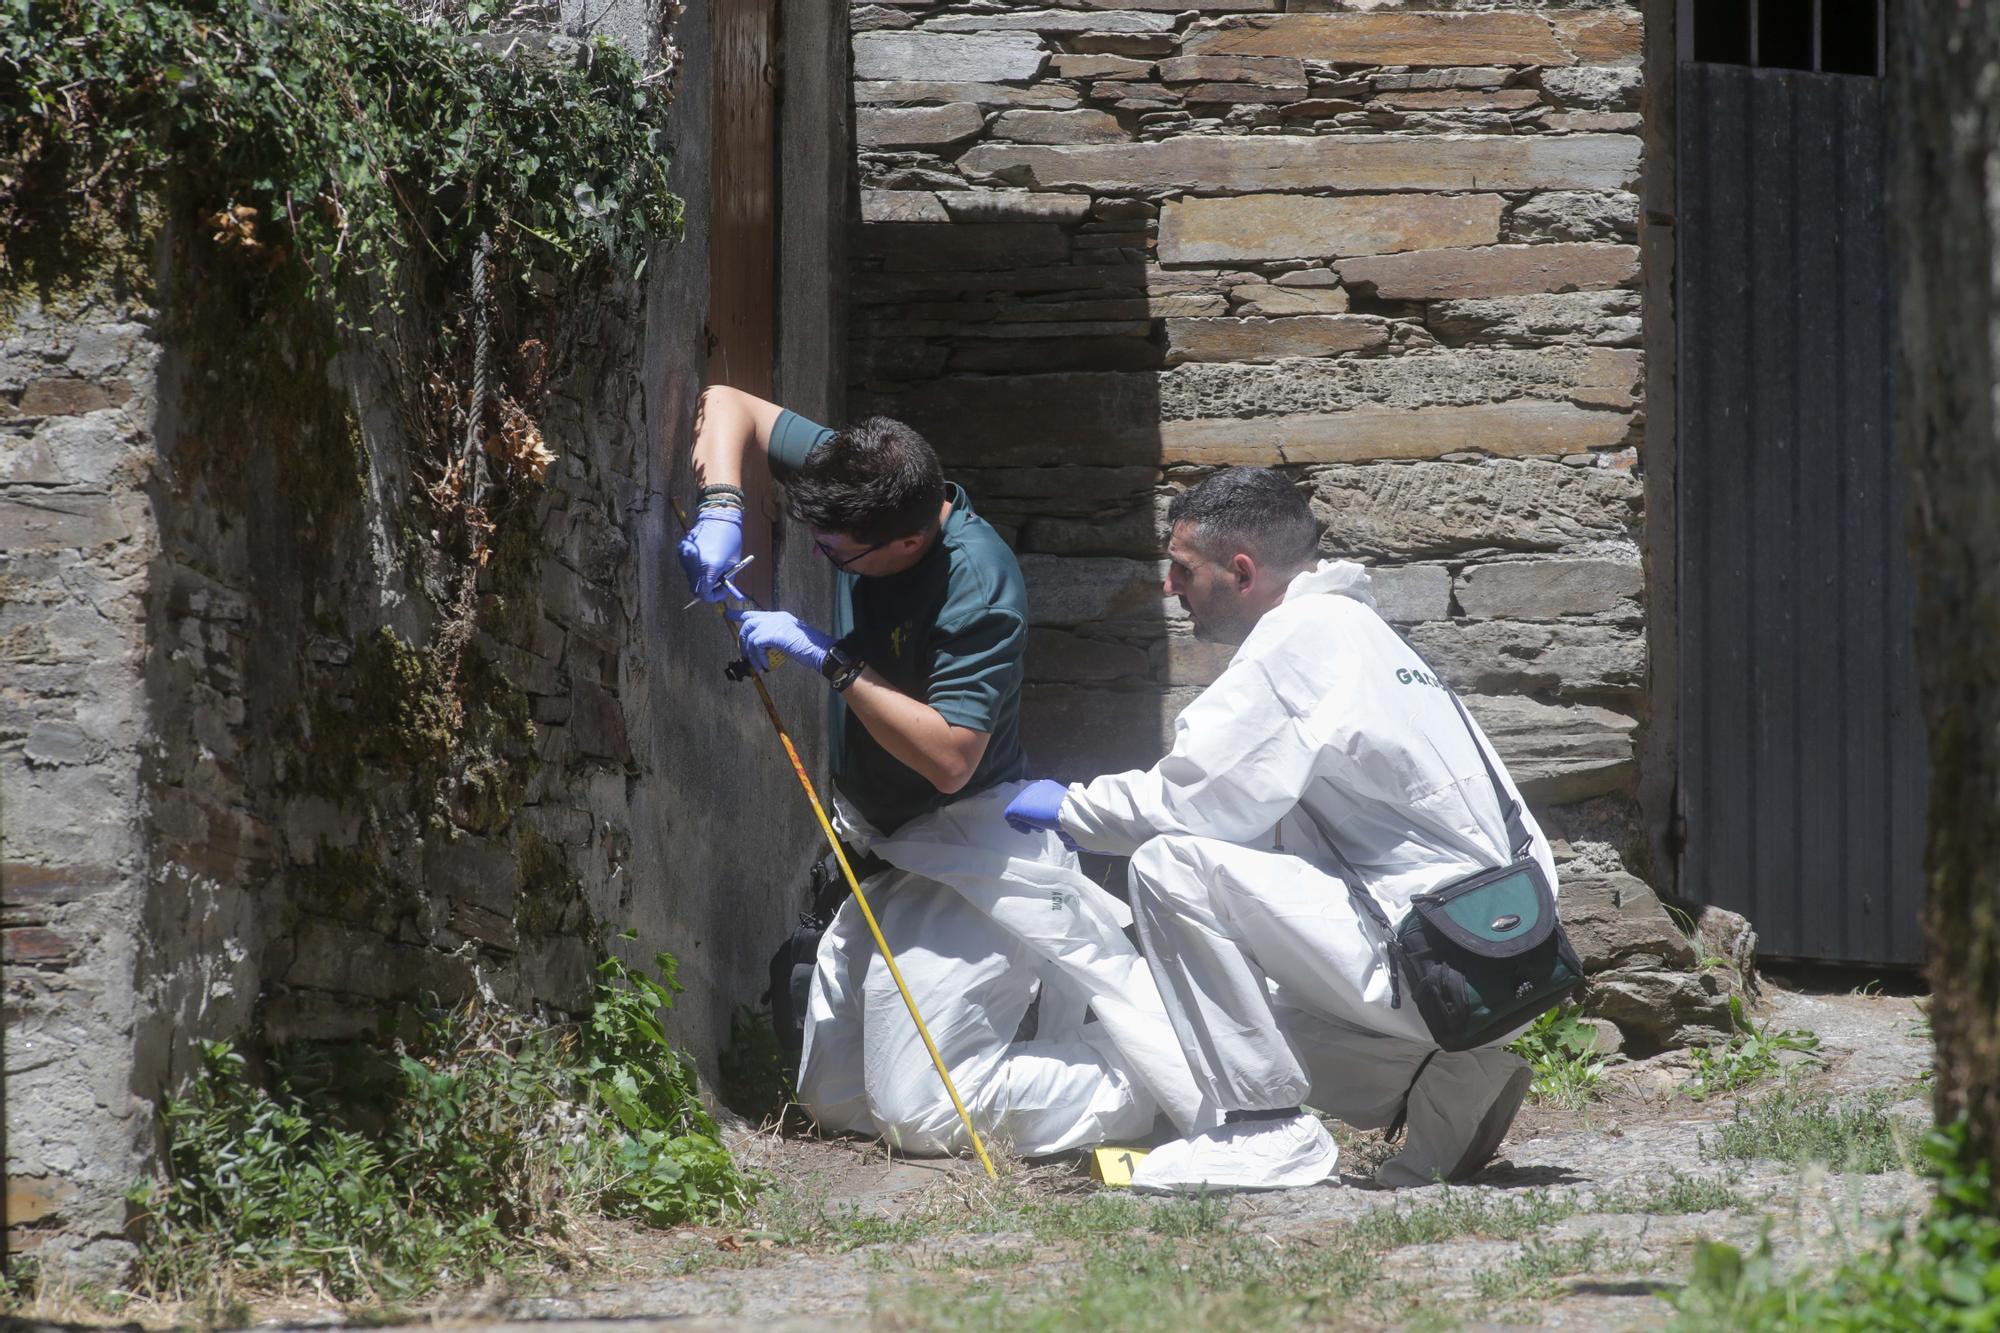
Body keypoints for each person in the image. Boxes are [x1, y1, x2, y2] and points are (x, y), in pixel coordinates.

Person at [678, 387, 1207, 1157]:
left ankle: (1138, 1087)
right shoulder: (877, 477)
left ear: (905, 542)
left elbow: (953, 758)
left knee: (919, 1111)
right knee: (834, 1093)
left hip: (972, 847)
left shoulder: (977, 584)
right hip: (893, 846)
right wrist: (722, 507)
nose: (823, 557)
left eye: (834, 553)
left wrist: (827, 656)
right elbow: (730, 404)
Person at [1001, 467, 1553, 1193]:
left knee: (1171, 868)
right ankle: (1450, 1082)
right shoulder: (1363, 632)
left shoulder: (1297, 642)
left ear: (1241, 571)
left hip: (1440, 957)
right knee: (1226, 1001)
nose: (1170, 587)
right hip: (1512, 950)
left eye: (1183, 569)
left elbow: (1188, 804)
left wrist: (1069, 808)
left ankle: (1262, 1128)